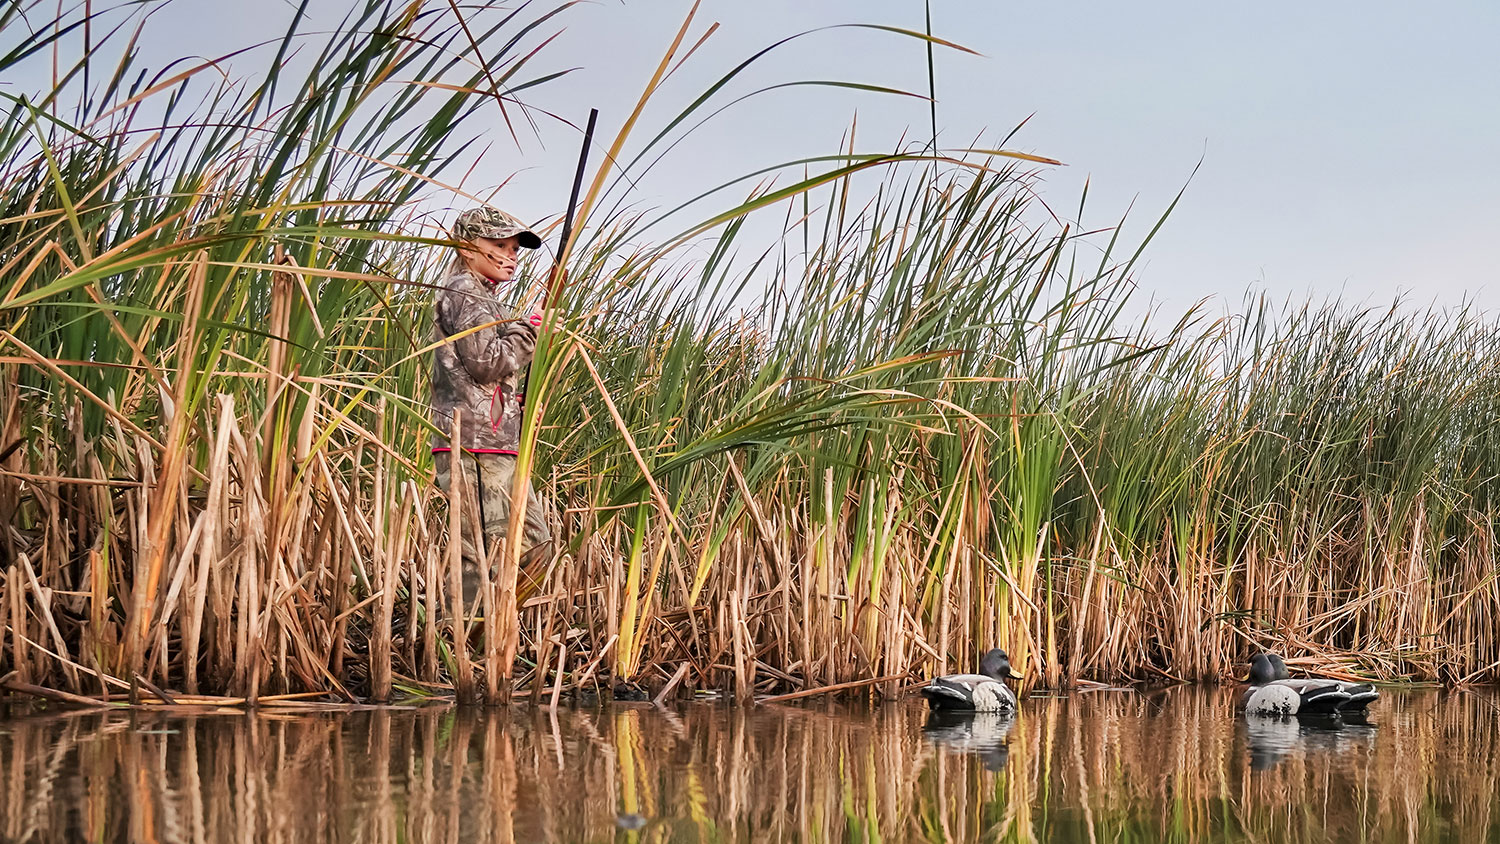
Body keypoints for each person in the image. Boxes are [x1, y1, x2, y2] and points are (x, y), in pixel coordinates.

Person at [431, 205, 553, 607]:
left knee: (535, 546)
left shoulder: (483, 296)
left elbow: (487, 373)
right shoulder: (463, 289)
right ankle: (465, 645)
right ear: (468, 247)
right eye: (498, 244)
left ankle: (495, 634)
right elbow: (488, 363)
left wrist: (518, 404)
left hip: (493, 443)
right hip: (471, 446)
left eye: (515, 248)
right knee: (478, 559)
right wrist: (531, 328)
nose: (510, 255)